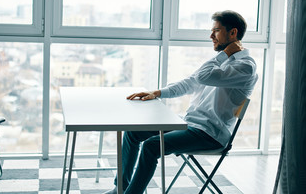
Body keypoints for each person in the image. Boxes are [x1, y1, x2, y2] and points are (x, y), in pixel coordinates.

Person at [103, 10, 258, 194]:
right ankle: (120, 188)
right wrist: (157, 93)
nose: (211, 36)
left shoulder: (245, 67)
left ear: (233, 33)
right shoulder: (219, 62)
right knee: (132, 133)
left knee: (151, 146)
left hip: (210, 133)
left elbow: (203, 75)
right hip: (189, 123)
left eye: (216, 31)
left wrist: (223, 54)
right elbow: (190, 83)